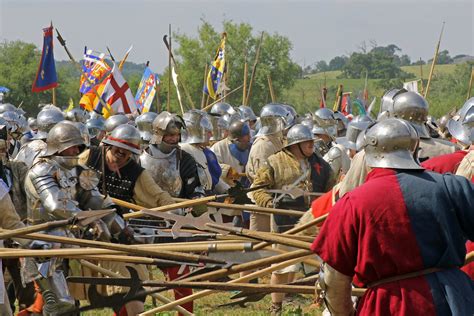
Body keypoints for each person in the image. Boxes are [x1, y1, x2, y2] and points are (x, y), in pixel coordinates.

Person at [311, 118, 474, 315]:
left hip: (389, 304)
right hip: (455, 300)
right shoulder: (452, 187)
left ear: (369, 153)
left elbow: (333, 278)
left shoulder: (352, 203)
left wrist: (345, 312)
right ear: (414, 149)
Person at [23, 122, 119, 315]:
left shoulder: (78, 169)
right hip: (45, 245)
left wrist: (119, 226)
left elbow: (94, 199)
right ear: (57, 147)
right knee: (59, 305)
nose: (76, 150)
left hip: (70, 242)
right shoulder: (41, 170)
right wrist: (91, 219)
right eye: (71, 146)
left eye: (78, 146)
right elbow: (55, 205)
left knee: (71, 305)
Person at [251, 124, 335, 315]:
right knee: (282, 267)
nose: (311, 146)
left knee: (319, 266)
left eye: (312, 142)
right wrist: (268, 202)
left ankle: (322, 304)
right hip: (285, 219)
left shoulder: (320, 164)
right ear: (295, 144)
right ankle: (276, 306)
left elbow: (331, 189)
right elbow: (258, 188)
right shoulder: (274, 162)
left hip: (313, 220)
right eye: (307, 142)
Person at [247, 103, 293, 232]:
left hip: (277, 200)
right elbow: (261, 177)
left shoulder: (276, 140)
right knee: (260, 246)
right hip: (262, 202)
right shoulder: (263, 145)